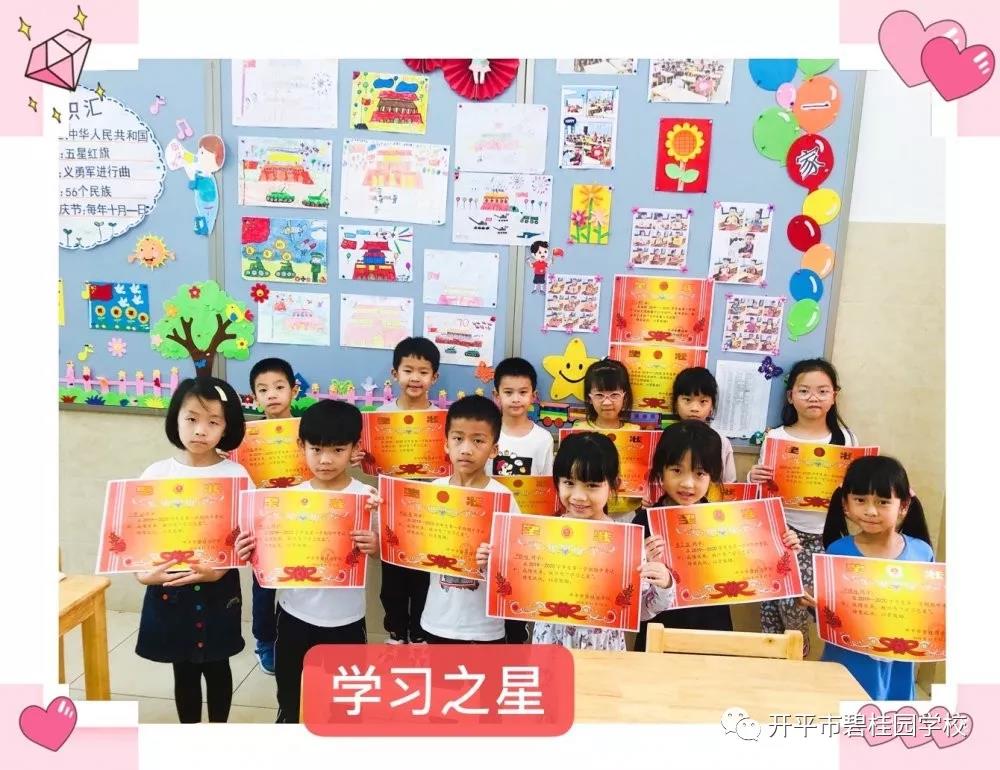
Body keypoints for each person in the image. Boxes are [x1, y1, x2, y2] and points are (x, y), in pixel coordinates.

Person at [235, 400, 379, 722]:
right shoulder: (286, 499)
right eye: (316, 449)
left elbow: (383, 551)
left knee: (344, 696)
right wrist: (250, 549)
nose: (325, 460)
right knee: (290, 690)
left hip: (347, 619)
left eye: (337, 450)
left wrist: (376, 546)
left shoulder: (367, 499)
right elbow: (267, 554)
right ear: (301, 446)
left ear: (355, 449)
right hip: (293, 614)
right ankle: (289, 724)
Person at [481, 431, 674, 651]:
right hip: (551, 647)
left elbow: (641, 610)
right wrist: (491, 564)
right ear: (557, 483)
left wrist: (664, 583)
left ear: (614, 484)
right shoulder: (542, 536)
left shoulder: (626, 543)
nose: (579, 496)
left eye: (592, 485)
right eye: (569, 483)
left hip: (603, 651)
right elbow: (518, 590)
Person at [133, 377, 249, 723]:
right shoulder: (156, 473)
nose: (201, 430)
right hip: (170, 587)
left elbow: (248, 538)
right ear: (176, 420)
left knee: (217, 664)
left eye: (213, 422)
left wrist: (220, 570)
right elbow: (138, 534)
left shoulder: (236, 474)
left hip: (219, 587)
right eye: (192, 419)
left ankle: (218, 733)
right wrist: (143, 575)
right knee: (182, 668)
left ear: (227, 427)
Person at [632, 421, 801, 651]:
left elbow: (757, 564)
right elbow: (633, 594)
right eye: (677, 471)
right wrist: (644, 561)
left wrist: (783, 548)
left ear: (712, 476)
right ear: (661, 470)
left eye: (699, 473)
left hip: (712, 630)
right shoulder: (643, 523)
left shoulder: (726, 520)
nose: (688, 483)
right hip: (659, 634)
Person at [748, 358, 857, 656]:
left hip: (822, 536)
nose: (813, 398)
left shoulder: (846, 439)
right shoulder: (776, 437)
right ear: (790, 396)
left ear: (834, 395)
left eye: (823, 391)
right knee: (771, 609)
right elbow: (762, 492)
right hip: (782, 534)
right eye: (804, 390)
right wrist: (753, 477)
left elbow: (854, 490)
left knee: (797, 606)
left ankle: (797, 660)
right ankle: (773, 667)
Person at [809, 456, 934, 700]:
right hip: (847, 659)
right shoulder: (838, 551)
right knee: (843, 711)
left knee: (889, 715)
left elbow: (927, 608)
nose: (870, 510)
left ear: (904, 506)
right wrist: (815, 605)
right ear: (846, 504)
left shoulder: (921, 552)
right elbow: (830, 613)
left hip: (897, 661)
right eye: (860, 500)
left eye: (883, 502)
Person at [419, 396, 523, 643]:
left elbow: (518, 561)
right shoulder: (433, 490)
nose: (466, 449)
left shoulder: (503, 498)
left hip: (483, 626)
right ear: (446, 444)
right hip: (437, 620)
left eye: (478, 441)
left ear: (494, 450)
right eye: (458, 438)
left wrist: (496, 557)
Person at [378, 337, 441, 643]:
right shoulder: (380, 417)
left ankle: (419, 634)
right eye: (408, 370)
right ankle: (396, 632)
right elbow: (371, 462)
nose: (415, 378)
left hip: (429, 519)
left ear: (434, 377)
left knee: (423, 581)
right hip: (392, 514)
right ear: (395, 374)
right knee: (392, 583)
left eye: (423, 372)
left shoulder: (442, 422)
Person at [246, 357, 299, 674]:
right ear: (254, 397)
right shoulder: (244, 436)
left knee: (301, 580)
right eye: (263, 390)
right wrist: (227, 456)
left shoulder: (308, 430)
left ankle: (294, 637)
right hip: (263, 523)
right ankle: (265, 641)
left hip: (302, 520)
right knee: (263, 586)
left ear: (294, 390)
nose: (272, 394)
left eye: (279, 387)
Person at [580, 358, 640, 522]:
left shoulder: (636, 432)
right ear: (589, 398)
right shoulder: (578, 431)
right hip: (586, 511)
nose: (607, 402)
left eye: (614, 395)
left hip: (625, 513)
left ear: (625, 396)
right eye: (599, 395)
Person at [490, 357, 554, 477]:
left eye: (523, 392)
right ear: (497, 396)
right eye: (508, 392)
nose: (516, 399)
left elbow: (546, 482)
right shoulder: (485, 434)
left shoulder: (544, 439)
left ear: (533, 396)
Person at [671, 367, 736, 483]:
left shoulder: (722, 442)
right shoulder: (667, 438)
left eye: (703, 401)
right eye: (687, 400)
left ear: (711, 406)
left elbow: (730, 484)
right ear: (676, 403)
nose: (694, 408)